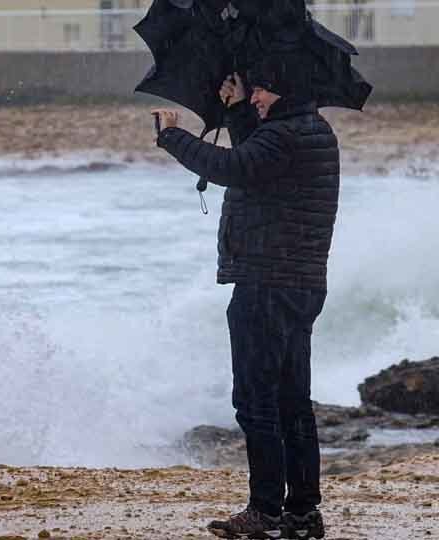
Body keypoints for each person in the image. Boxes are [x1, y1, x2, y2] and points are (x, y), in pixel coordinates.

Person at [152, 53, 340, 540]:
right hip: (300, 282)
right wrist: (236, 109)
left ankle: (265, 512)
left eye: (261, 90)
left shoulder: (287, 136)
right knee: (292, 403)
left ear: (285, 91)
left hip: (266, 283)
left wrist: (173, 135)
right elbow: (256, 156)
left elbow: (233, 165)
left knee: (256, 402)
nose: (255, 96)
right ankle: (301, 513)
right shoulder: (310, 130)